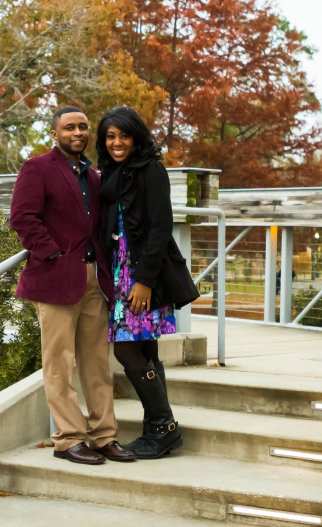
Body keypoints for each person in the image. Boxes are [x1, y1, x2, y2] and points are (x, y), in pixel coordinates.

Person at [10, 106, 136, 465]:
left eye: (83, 126)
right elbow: (22, 217)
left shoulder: (94, 176)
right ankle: (68, 439)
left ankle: (103, 437)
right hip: (54, 281)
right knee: (58, 365)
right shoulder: (37, 168)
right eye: (69, 127)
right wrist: (53, 253)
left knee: (97, 363)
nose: (78, 132)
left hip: (95, 280)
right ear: (55, 133)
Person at [96, 106, 199, 459]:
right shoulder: (111, 173)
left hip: (140, 276)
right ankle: (158, 429)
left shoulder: (151, 169)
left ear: (136, 137)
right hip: (118, 273)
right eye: (110, 136)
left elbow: (160, 227)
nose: (117, 142)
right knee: (145, 349)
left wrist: (143, 281)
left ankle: (163, 426)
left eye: (123, 135)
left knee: (126, 349)